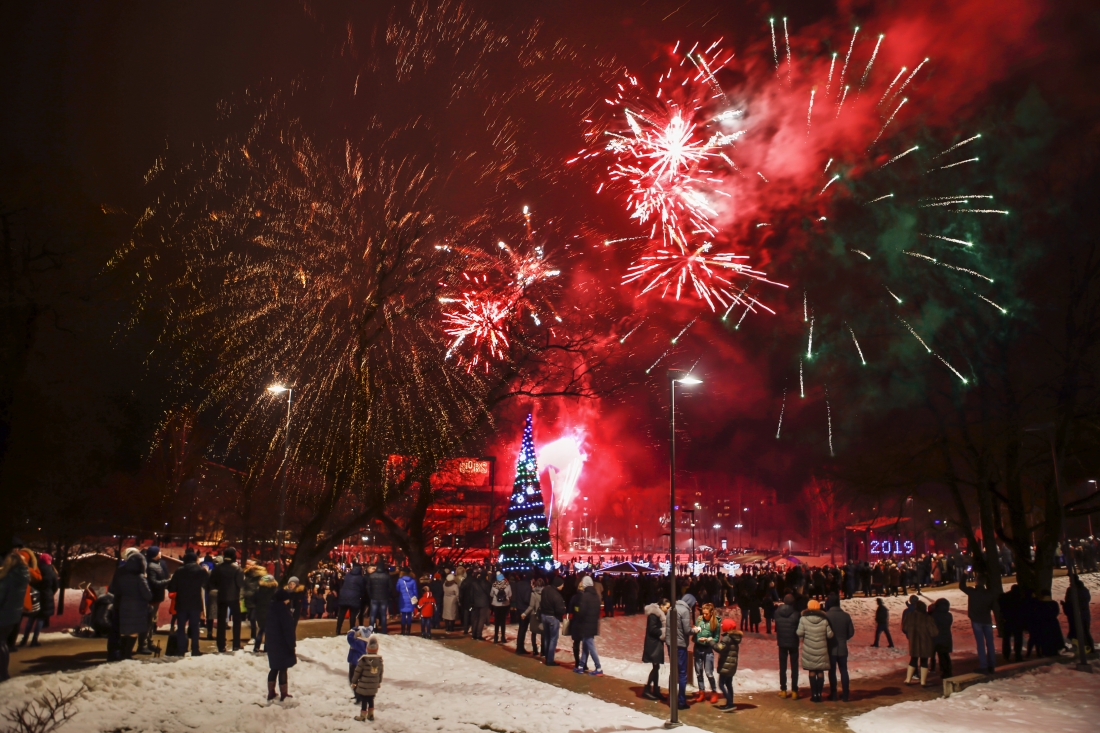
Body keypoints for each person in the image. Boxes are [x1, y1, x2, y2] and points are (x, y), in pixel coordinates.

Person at [109, 549, 153, 660]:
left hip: (123, 605)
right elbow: (147, 595)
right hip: (137, 607)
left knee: (124, 631)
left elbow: (114, 589)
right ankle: (127, 655)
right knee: (133, 632)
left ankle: (120, 654)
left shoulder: (122, 575)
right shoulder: (139, 578)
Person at [168, 548, 209, 657]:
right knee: (194, 627)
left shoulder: (179, 571)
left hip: (181, 602)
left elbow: (172, 587)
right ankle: (195, 649)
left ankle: (181, 649)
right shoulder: (200, 571)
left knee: (181, 626)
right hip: (195, 602)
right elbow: (207, 584)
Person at [0, 549, 31, 681]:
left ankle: (2, 673)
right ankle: (3, 672)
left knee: (0, 643)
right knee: (3, 643)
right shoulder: (21, 577)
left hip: (3, 614)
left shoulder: (8, 578)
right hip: (12, 615)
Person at [796, 599, 834, 703]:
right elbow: (830, 635)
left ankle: (814, 694)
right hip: (822, 649)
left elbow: (799, 633)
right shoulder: (824, 620)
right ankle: (819, 694)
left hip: (809, 649)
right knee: (820, 671)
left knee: (812, 671)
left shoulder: (803, 619)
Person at [960, 575, 999, 673]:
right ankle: (992, 664)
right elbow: (993, 606)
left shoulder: (973, 592)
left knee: (980, 643)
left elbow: (962, 586)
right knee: (990, 643)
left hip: (976, 620)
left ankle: (983, 665)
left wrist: (964, 575)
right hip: (986, 619)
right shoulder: (989, 594)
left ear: (976, 582)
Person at [19, 552, 58, 648]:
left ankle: (24, 639)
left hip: (35, 596)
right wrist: (50, 593)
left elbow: (31, 583)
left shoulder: (36, 570)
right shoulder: (52, 572)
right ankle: (34, 640)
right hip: (46, 597)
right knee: (40, 619)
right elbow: (55, 586)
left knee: (31, 618)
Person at [209, 547, 244, 652]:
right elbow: (240, 584)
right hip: (234, 597)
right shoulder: (237, 569)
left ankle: (221, 645)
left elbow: (212, 582)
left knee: (220, 621)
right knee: (236, 621)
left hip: (221, 596)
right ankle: (236, 644)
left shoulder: (218, 568)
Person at [265, 588, 297, 702]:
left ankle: (271, 692)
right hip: (282, 644)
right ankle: (284, 694)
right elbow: (288, 630)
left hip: (272, 643)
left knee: (274, 668)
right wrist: (292, 644)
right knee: (283, 669)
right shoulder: (284, 612)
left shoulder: (271, 609)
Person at [668, 593, 696, 710]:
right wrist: (695, 630)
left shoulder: (671, 608)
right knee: (682, 673)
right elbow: (687, 630)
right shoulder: (685, 611)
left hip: (670, 643)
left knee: (673, 671)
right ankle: (681, 701)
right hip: (680, 645)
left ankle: (672, 698)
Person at [824, 593, 854, 701]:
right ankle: (845, 694)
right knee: (844, 670)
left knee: (832, 671)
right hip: (842, 647)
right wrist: (843, 638)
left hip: (831, 648)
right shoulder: (846, 616)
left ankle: (833, 694)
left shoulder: (826, 616)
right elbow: (851, 632)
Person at [573, 576, 604, 676]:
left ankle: (598, 667)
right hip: (593, 624)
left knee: (590, 646)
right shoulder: (596, 596)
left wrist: (577, 613)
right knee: (585, 645)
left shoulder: (585, 596)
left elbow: (582, 611)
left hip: (586, 624)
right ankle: (581, 666)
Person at [902, 597, 936, 686]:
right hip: (926, 643)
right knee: (924, 661)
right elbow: (934, 632)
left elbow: (904, 628)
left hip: (913, 642)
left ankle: (908, 679)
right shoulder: (928, 618)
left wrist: (910, 634)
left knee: (913, 659)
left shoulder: (909, 616)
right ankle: (923, 682)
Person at [774, 593, 801, 699]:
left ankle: (783, 690)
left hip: (782, 642)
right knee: (794, 667)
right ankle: (794, 691)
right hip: (793, 641)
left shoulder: (777, 612)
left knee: (783, 667)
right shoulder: (796, 613)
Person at [351, 635, 384, 722]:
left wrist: (354, 682)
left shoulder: (363, 660)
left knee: (364, 700)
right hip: (373, 685)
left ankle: (363, 716)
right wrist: (379, 682)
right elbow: (381, 673)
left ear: (367, 649)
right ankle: (371, 714)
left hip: (364, 685)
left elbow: (357, 672)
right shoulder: (379, 661)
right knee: (371, 699)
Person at [714, 617, 743, 712]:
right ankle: (730, 703)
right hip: (731, 665)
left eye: (723, 625)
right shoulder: (734, 638)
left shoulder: (727, 638)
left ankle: (730, 703)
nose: (722, 627)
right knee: (728, 684)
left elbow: (719, 648)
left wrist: (711, 642)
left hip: (726, 665)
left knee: (721, 684)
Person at [641, 599, 668, 701]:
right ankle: (647, 689)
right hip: (653, 645)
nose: (667, 609)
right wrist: (664, 632)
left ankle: (655, 689)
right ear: (661, 606)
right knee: (656, 667)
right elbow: (652, 629)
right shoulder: (654, 615)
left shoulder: (659, 615)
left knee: (656, 666)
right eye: (666, 607)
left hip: (656, 643)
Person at [692, 602, 719, 703]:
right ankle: (701, 691)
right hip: (697, 647)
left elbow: (716, 638)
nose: (704, 615)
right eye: (703, 613)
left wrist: (708, 639)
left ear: (711, 613)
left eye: (706, 613)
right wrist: (694, 630)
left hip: (708, 649)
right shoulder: (699, 619)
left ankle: (714, 691)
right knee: (699, 672)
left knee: (709, 673)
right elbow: (694, 629)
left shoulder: (715, 622)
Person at [539, 577, 567, 666]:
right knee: (553, 639)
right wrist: (564, 610)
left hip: (544, 615)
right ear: (558, 585)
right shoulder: (556, 595)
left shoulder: (545, 590)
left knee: (547, 637)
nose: (563, 586)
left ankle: (547, 656)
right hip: (552, 618)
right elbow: (559, 610)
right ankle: (550, 660)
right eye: (562, 585)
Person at [337, 563, 368, 636]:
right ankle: (351, 630)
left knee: (341, 614)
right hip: (354, 597)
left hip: (344, 596)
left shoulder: (347, 575)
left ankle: (338, 629)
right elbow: (362, 588)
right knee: (352, 615)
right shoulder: (360, 578)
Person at [252, 574, 278, 653]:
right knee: (268, 631)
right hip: (270, 612)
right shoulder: (274, 591)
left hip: (260, 612)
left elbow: (253, 600)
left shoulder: (259, 590)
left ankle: (256, 647)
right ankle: (267, 648)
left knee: (261, 630)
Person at [999, 584, 1025, 664]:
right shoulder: (1020, 598)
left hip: (1008, 620)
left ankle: (1006, 654)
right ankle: (1018, 654)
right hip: (1017, 620)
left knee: (1007, 638)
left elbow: (1001, 606)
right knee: (1018, 638)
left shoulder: (1005, 597)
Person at [930, 597, 954, 679]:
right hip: (947, 638)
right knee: (946, 655)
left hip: (938, 639)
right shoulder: (949, 615)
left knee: (941, 656)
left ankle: (944, 672)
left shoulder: (935, 615)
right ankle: (948, 671)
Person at [519, 578, 543, 656]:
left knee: (534, 632)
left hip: (534, 614)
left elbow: (531, 606)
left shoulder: (533, 594)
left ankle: (535, 650)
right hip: (542, 614)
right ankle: (543, 650)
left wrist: (524, 613)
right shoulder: (545, 593)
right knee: (543, 632)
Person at [367, 564, 391, 633]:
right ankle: (384, 630)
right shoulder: (387, 576)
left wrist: (370, 595)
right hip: (384, 597)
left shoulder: (371, 576)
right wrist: (387, 595)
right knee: (383, 615)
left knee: (372, 615)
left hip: (374, 597)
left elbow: (368, 587)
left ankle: (371, 630)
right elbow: (390, 587)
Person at [490, 572, 512, 643]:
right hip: (505, 605)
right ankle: (503, 637)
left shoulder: (494, 585)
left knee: (497, 621)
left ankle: (496, 637)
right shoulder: (507, 585)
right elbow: (510, 594)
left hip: (496, 605)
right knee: (503, 621)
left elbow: (491, 594)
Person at [470, 571, 492, 641]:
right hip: (484, 603)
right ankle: (479, 634)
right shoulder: (487, 584)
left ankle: (474, 634)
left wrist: (472, 602)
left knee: (475, 619)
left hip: (475, 603)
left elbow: (471, 594)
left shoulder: (474, 583)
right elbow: (489, 595)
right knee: (481, 619)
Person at [396, 568, 418, 636]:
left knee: (403, 615)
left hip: (402, 599)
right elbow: (415, 591)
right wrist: (415, 598)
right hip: (410, 599)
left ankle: (402, 631)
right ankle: (408, 631)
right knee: (409, 615)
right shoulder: (413, 581)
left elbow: (397, 588)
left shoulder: (400, 580)